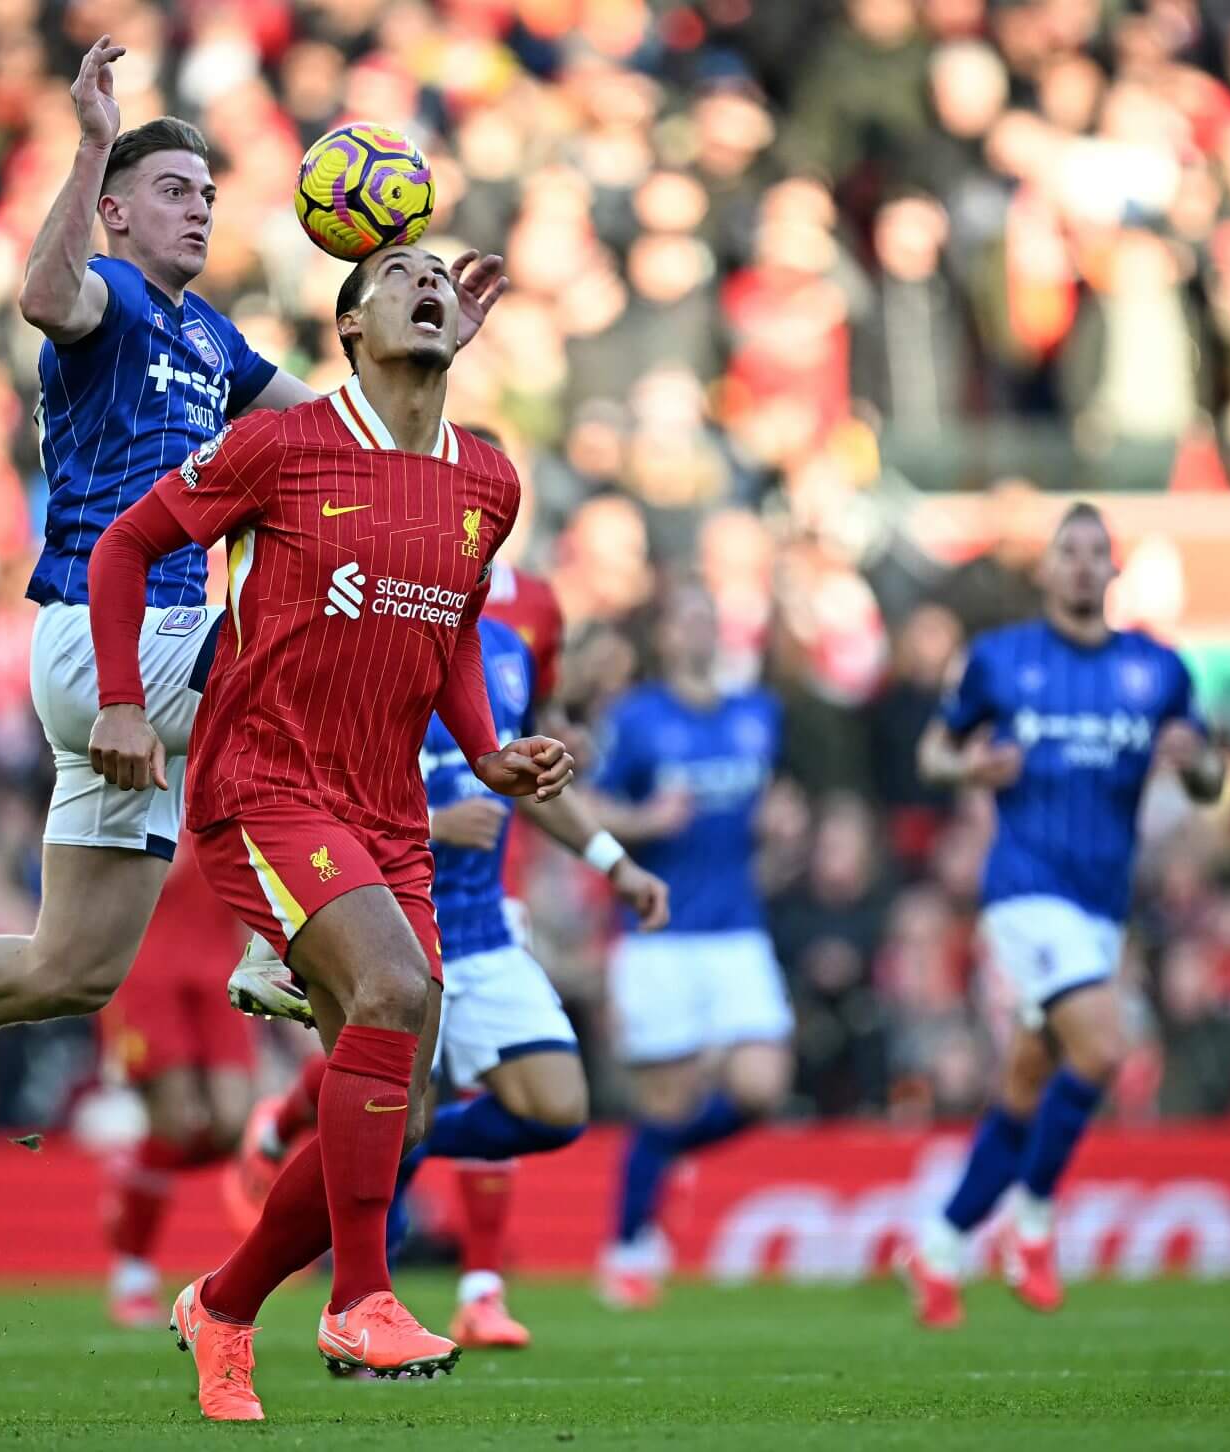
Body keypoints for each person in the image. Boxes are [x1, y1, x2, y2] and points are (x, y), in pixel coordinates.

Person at [0, 39, 505, 1146]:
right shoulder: (112, 298)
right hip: (108, 636)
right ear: (115, 212)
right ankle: (281, 934)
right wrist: (85, 149)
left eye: (209, 195)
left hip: (132, 675)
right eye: (172, 191)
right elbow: (41, 292)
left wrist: (427, 344)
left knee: (65, 968)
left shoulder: (210, 336)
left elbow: (348, 435)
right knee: (325, 622)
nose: (199, 211)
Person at [86, 243, 571, 1419]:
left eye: (436, 279)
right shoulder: (282, 445)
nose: (423, 286)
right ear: (348, 327)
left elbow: (449, 622)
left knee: (396, 1115)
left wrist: (490, 743)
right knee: (396, 994)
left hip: (385, 807)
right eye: (393, 274)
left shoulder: (487, 482)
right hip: (264, 782)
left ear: (463, 326)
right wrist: (114, 696)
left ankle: (223, 1304)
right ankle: (360, 1298)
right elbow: (126, 546)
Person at [232, 614, 670, 1350]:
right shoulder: (365, 635)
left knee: (556, 1109)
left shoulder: (508, 646)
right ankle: (343, 1304)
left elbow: (534, 782)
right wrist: (433, 823)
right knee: (392, 1124)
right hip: (392, 931)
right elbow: (314, 794)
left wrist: (614, 863)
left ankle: (340, 1144)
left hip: (486, 932)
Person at [900, 502, 1226, 1329]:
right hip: (1024, 887)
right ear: (1045, 571)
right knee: (1105, 1045)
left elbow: (1212, 777)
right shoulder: (1001, 661)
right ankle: (1032, 1224)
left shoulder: (1158, 669)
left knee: (1028, 1081)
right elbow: (933, 752)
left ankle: (939, 1247)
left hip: (1101, 905)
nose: (1081, 566)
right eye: (1067, 552)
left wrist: (1195, 766)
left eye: (1095, 553)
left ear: (1114, 572)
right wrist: (971, 765)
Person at [589, 580, 796, 1310]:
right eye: (686, 618)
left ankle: (657, 1165)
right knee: (668, 1101)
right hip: (661, 935)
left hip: (737, 928)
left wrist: (783, 825)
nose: (700, 631)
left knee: (761, 1085)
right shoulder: (637, 720)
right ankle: (627, 1246)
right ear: (665, 636)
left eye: (709, 617)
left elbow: (774, 806)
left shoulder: (757, 715)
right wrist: (646, 820)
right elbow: (586, 809)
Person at [98, 831, 255, 1329]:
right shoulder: (143, 769)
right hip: (148, 968)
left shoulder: (235, 768)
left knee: (234, 1124)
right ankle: (133, 1273)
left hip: (216, 967)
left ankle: (135, 1173)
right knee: (171, 1121)